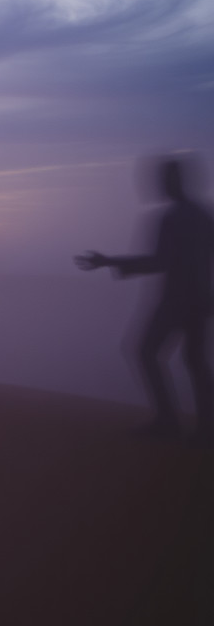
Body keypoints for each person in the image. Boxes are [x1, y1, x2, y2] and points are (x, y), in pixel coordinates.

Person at [76, 156, 213, 443]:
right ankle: (203, 428)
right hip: (201, 300)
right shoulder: (204, 216)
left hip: (177, 300)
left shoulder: (173, 217)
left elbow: (159, 262)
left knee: (145, 351)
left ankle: (169, 419)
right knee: (195, 362)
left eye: (163, 179)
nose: (159, 185)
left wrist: (108, 261)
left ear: (173, 181)